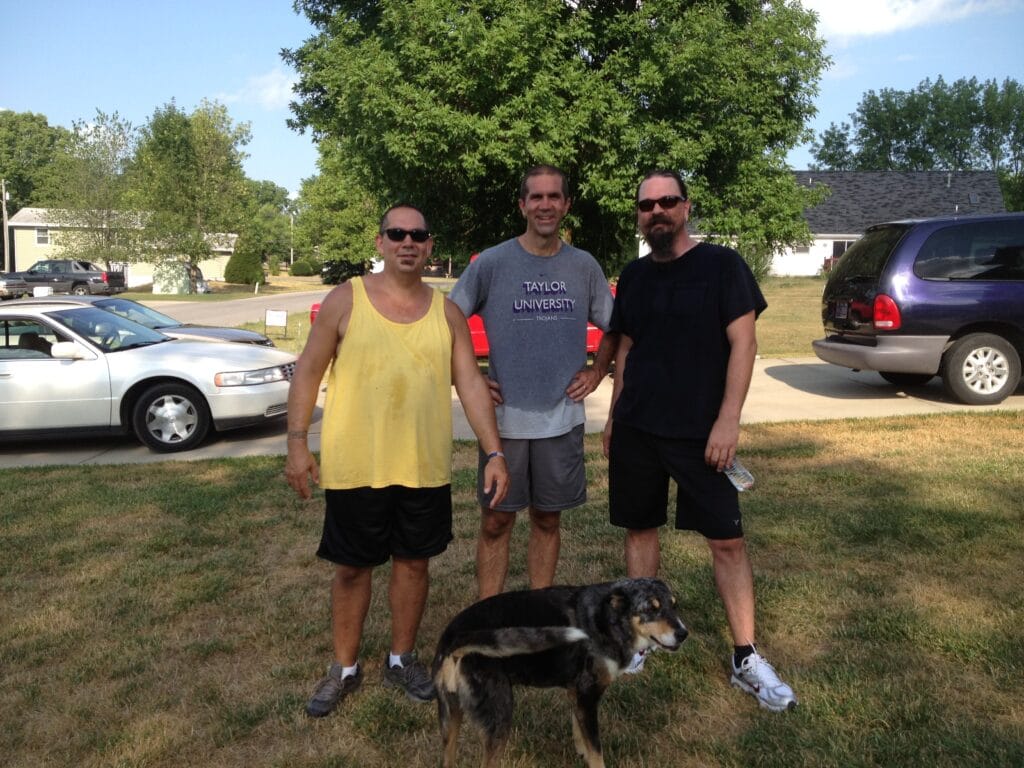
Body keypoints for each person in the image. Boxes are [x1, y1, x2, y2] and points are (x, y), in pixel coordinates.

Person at [285, 203, 510, 718]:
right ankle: (343, 668)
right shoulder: (346, 300)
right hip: (355, 466)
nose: (408, 242)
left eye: (419, 235)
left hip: (422, 466)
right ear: (382, 241)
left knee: (414, 564)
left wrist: (494, 451)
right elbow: (308, 372)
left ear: (430, 245)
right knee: (352, 569)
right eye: (397, 233)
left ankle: (400, 658)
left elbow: (472, 384)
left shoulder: (446, 312)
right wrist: (297, 443)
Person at [602, 169, 797, 712]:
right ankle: (640, 638)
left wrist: (728, 420)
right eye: (647, 205)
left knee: (727, 541)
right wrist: (616, 415)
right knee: (640, 530)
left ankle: (746, 656)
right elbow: (627, 347)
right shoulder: (634, 275)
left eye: (667, 201)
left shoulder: (721, 266)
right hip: (639, 428)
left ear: (686, 207)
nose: (657, 211)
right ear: (640, 215)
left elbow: (744, 342)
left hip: (702, 433)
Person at [450, 165, 615, 598]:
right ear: (522, 204)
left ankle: (540, 609)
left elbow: (617, 325)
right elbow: (447, 322)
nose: (545, 205)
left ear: (566, 205)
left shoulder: (583, 266)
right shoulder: (492, 263)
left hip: (560, 420)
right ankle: (491, 616)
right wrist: (467, 375)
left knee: (547, 518)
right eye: (536, 197)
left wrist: (598, 370)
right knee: (496, 520)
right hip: (501, 425)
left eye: (554, 197)